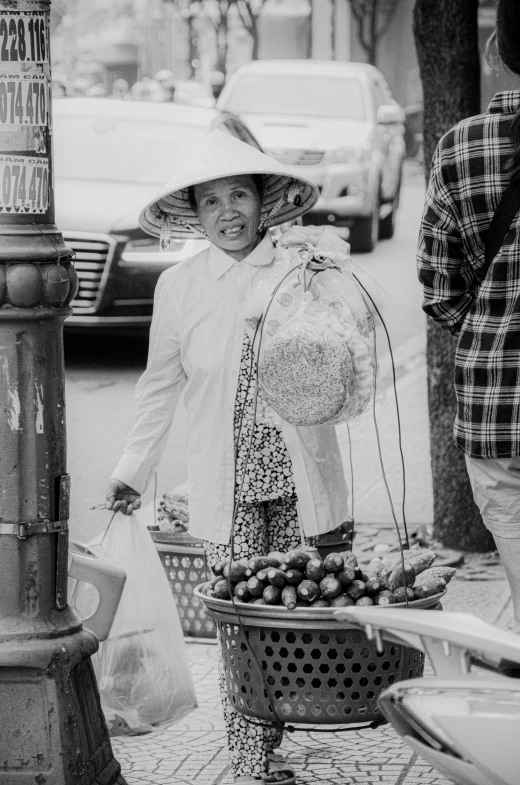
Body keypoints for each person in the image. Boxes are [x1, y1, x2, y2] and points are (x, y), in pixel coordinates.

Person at [105, 129, 350, 784]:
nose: (228, 213)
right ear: (195, 212)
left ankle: (273, 724)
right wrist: (132, 467)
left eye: (238, 195)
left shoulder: (301, 268)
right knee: (239, 622)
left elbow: (340, 362)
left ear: (263, 199)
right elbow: (159, 387)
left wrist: (321, 289)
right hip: (228, 488)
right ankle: (251, 754)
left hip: (297, 484)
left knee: (291, 614)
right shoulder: (180, 287)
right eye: (210, 202)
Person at [417, 0, 520, 633]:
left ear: (501, 50)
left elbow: (438, 286)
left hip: (493, 402)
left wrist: (488, 326)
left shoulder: (462, 145)